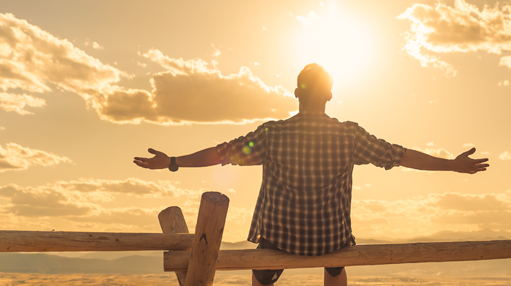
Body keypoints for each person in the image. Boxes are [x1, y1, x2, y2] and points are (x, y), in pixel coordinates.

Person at [134, 63, 489, 286]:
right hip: (329, 241)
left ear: (295, 94)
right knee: (336, 265)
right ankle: (332, 271)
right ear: (330, 95)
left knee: (262, 270)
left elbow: (222, 153)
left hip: (280, 241)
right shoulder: (349, 136)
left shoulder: (272, 135)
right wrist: (453, 165)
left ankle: (265, 276)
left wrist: (173, 162)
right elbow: (400, 156)